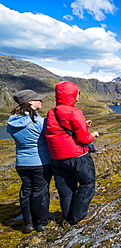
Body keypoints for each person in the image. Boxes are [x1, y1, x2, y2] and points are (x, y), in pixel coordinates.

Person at [45, 81, 99, 225]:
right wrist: (93, 135)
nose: (79, 96)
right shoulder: (74, 111)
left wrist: (82, 125)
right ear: (73, 94)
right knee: (87, 183)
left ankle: (68, 215)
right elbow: (83, 138)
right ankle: (78, 216)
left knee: (66, 188)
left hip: (57, 158)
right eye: (78, 93)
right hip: (77, 156)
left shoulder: (52, 112)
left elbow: (60, 130)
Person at [7, 89, 54, 233]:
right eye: (37, 99)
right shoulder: (39, 122)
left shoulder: (12, 122)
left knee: (26, 191)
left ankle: (28, 224)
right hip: (40, 161)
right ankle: (41, 222)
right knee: (39, 191)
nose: (40, 101)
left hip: (22, 163)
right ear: (29, 102)